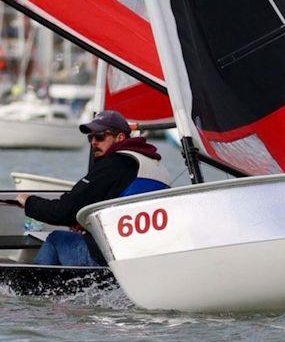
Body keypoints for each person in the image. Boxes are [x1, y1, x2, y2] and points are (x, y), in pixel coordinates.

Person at [16, 110, 170, 266]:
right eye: (91, 137)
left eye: (100, 136)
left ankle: (29, 289)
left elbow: (63, 212)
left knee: (56, 239)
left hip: (110, 259)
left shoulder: (114, 164)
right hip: (144, 258)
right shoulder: (152, 163)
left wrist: (29, 202)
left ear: (120, 137)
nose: (94, 142)